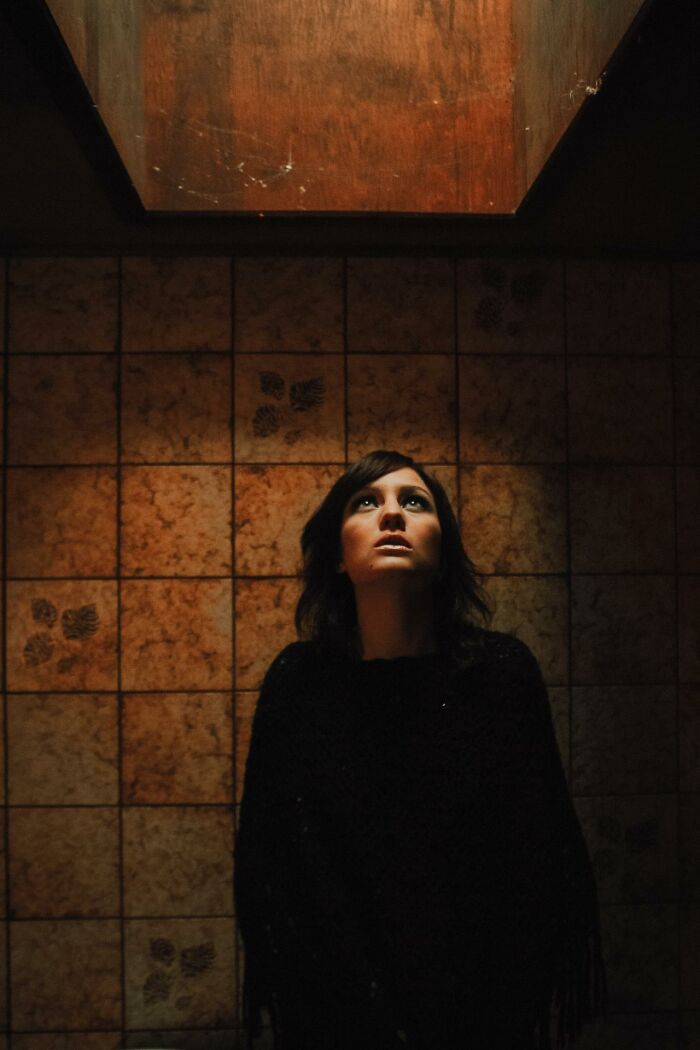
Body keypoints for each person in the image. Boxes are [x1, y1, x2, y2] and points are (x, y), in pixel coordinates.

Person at [234, 449, 607, 1050]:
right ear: (336, 555)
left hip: (481, 1016)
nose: (391, 516)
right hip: (338, 1020)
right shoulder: (299, 684)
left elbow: (538, 861)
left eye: (414, 502)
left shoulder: (500, 676)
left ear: (443, 553)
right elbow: (271, 872)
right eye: (366, 503)